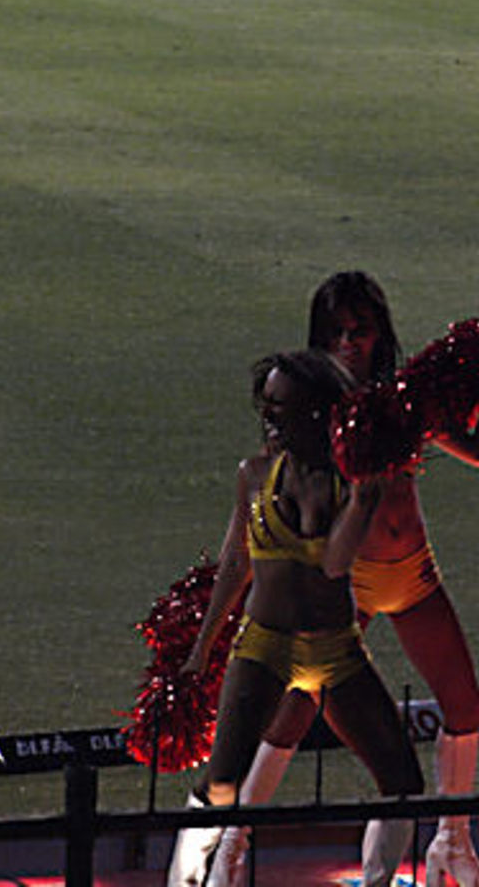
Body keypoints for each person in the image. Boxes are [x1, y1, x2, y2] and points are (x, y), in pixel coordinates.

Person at [189, 272, 479, 887]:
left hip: (415, 572)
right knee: (291, 711)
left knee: (465, 704)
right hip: (348, 582)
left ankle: (453, 846)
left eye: (360, 331)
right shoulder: (316, 412)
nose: (348, 342)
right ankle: (230, 847)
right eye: (335, 332)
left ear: (379, 333)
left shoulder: (404, 398)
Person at [167, 349, 425, 887]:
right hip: (264, 645)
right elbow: (236, 562)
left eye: (282, 407)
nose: (270, 417)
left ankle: (378, 880)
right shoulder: (255, 475)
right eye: (267, 405)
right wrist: (202, 648)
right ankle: (185, 882)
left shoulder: (348, 482)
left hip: (335, 648)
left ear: (316, 412)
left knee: (402, 779)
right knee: (222, 782)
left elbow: (335, 564)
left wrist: (361, 504)